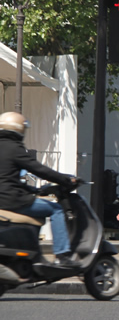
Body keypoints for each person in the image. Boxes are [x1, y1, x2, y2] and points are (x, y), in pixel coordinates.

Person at [0, 111, 80, 267]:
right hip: (12, 200)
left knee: (38, 209)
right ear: (19, 130)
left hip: (5, 198)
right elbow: (40, 170)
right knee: (56, 209)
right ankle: (62, 255)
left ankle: (35, 254)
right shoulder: (15, 149)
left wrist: (35, 191)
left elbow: (7, 179)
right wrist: (66, 180)